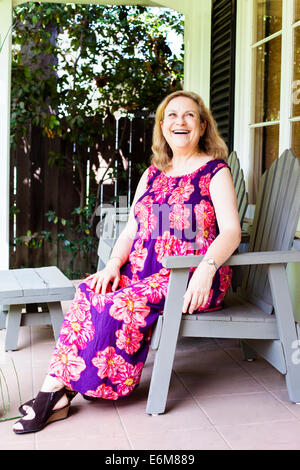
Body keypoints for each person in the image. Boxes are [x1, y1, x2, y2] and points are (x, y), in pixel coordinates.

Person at [13, 90, 241, 434]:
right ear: (162, 126)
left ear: (203, 125)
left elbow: (232, 232)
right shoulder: (152, 174)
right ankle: (62, 389)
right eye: (172, 116)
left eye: (190, 115)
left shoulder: (215, 171)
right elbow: (132, 228)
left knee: (119, 303)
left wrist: (207, 269)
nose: (180, 121)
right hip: (143, 270)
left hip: (190, 275)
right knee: (91, 290)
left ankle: (53, 393)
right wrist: (113, 264)